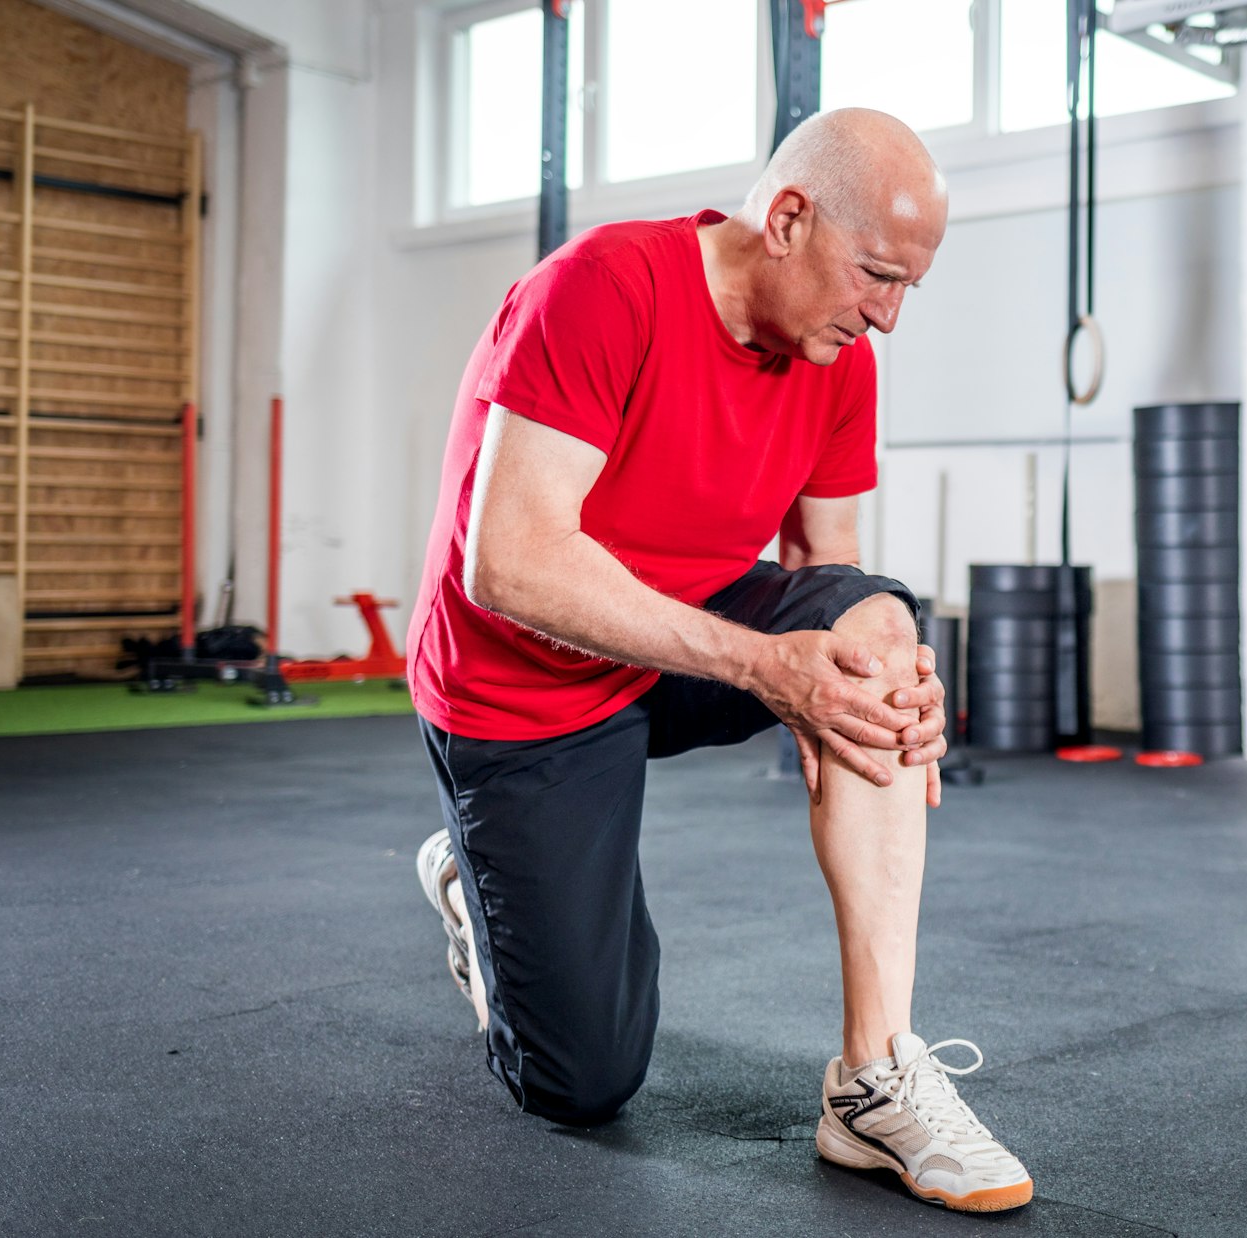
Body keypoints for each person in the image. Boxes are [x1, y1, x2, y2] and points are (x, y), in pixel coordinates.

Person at [404, 108, 1032, 1214]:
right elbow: (508, 563)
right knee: (582, 1083)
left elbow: (828, 569)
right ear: (786, 219)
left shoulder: (835, 354)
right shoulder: (601, 288)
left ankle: (875, 1075)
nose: (886, 316)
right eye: (877, 276)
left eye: (907, 290)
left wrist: (873, 690)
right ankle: (478, 878)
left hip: (681, 641)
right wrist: (766, 672)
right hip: (520, 686)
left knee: (878, 634)